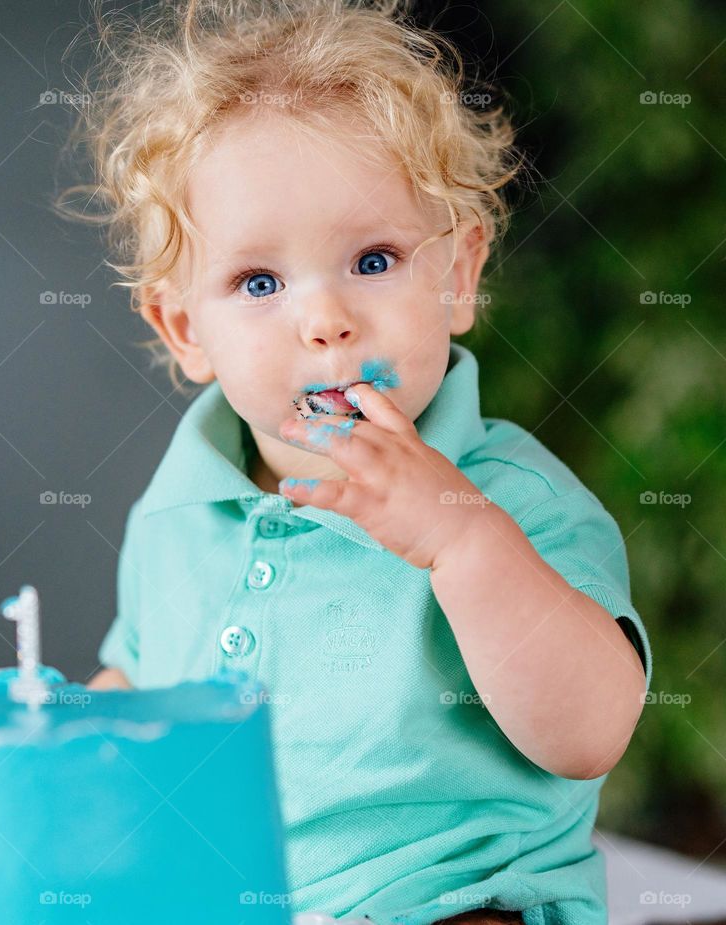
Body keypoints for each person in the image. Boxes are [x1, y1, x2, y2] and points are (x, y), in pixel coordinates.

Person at [54, 0, 653, 921]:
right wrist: (73, 738)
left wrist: (464, 545)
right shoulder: (175, 512)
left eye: (374, 259)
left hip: (459, 899)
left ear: (456, 275)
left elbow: (591, 731)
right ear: (185, 328)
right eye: (260, 282)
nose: (325, 318)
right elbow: (145, 685)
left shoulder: (510, 498)